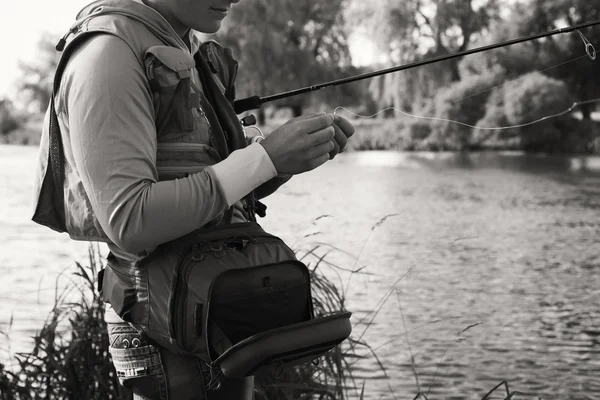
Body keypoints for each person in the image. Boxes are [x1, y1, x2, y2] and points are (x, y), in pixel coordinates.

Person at [32, 0, 355, 398]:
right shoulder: (106, 54)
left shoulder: (188, 48)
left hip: (215, 312)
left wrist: (282, 162)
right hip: (163, 326)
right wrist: (264, 158)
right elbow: (131, 220)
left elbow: (211, 190)